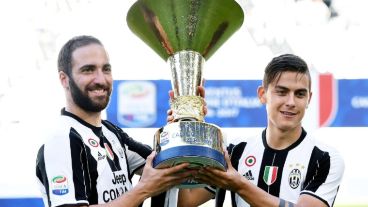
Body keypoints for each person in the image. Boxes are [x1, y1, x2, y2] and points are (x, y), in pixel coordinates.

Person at [35, 35, 195, 207]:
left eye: (106, 69)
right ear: (64, 79)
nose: (100, 79)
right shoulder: (62, 140)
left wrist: (186, 120)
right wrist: (143, 189)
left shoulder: (112, 134)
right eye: (88, 70)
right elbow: (148, 185)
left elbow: (170, 174)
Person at [177, 54, 345, 207]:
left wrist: (239, 185)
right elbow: (186, 201)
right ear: (262, 94)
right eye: (282, 92)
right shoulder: (236, 152)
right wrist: (185, 123)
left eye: (300, 94)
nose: (291, 102)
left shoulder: (325, 158)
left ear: (309, 99)